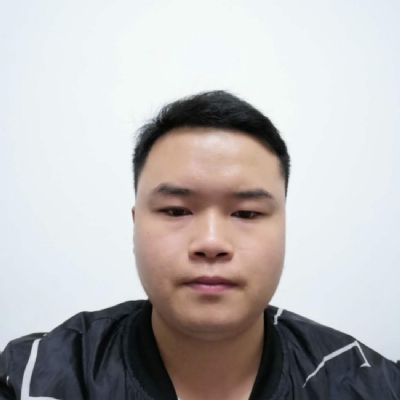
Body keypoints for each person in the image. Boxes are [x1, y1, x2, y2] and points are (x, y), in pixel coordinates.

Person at [0, 91, 398, 400]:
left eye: (246, 213)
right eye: (176, 210)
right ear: (136, 225)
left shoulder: (367, 382)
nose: (211, 243)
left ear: (284, 227)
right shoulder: (35, 377)